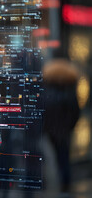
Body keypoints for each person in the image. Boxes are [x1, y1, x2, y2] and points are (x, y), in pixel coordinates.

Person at [43, 58, 80, 193]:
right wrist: (71, 126)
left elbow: (44, 109)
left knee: (51, 156)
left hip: (51, 128)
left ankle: (52, 182)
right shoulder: (70, 88)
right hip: (64, 129)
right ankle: (65, 184)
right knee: (64, 156)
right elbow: (75, 110)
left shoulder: (46, 88)